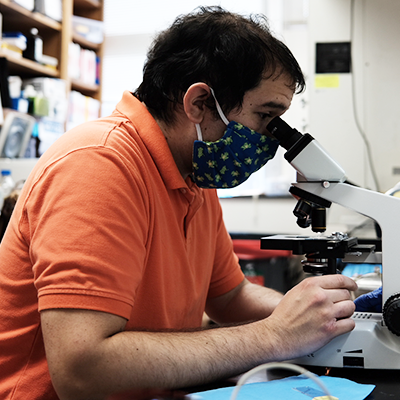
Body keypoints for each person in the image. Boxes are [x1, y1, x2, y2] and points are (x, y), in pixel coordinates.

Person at [0, 6, 357, 400]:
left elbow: (229, 296)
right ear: (199, 103)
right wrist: (274, 335)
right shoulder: (98, 164)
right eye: (265, 116)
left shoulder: (194, 173)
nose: (272, 138)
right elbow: (82, 369)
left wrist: (316, 313)